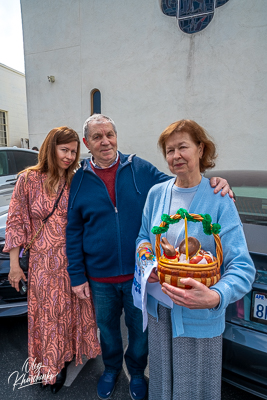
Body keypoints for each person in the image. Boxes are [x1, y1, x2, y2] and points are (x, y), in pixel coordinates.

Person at [66, 114, 233, 400]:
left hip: (140, 275)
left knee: (140, 331)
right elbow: (73, 230)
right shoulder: (78, 179)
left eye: (110, 134)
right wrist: (77, 275)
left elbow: (180, 184)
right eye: (97, 137)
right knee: (107, 330)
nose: (105, 141)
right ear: (86, 143)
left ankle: (136, 372)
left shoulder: (138, 168)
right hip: (100, 276)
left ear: (116, 136)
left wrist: (214, 182)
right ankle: (110, 369)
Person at [133, 119, 255, 400]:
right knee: (162, 387)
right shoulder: (156, 194)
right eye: (169, 149)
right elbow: (142, 238)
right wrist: (147, 263)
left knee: (195, 392)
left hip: (199, 317)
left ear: (200, 149)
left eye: (183, 147)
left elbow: (242, 267)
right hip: (160, 314)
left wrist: (215, 297)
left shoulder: (219, 198)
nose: (176, 156)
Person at [4, 127, 101, 394]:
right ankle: (51, 367)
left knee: (71, 311)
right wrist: (14, 266)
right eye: (64, 150)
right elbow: (16, 222)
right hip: (43, 264)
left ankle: (67, 354)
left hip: (73, 261)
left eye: (73, 151)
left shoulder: (77, 180)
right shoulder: (29, 179)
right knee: (48, 316)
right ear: (51, 148)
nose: (69, 156)